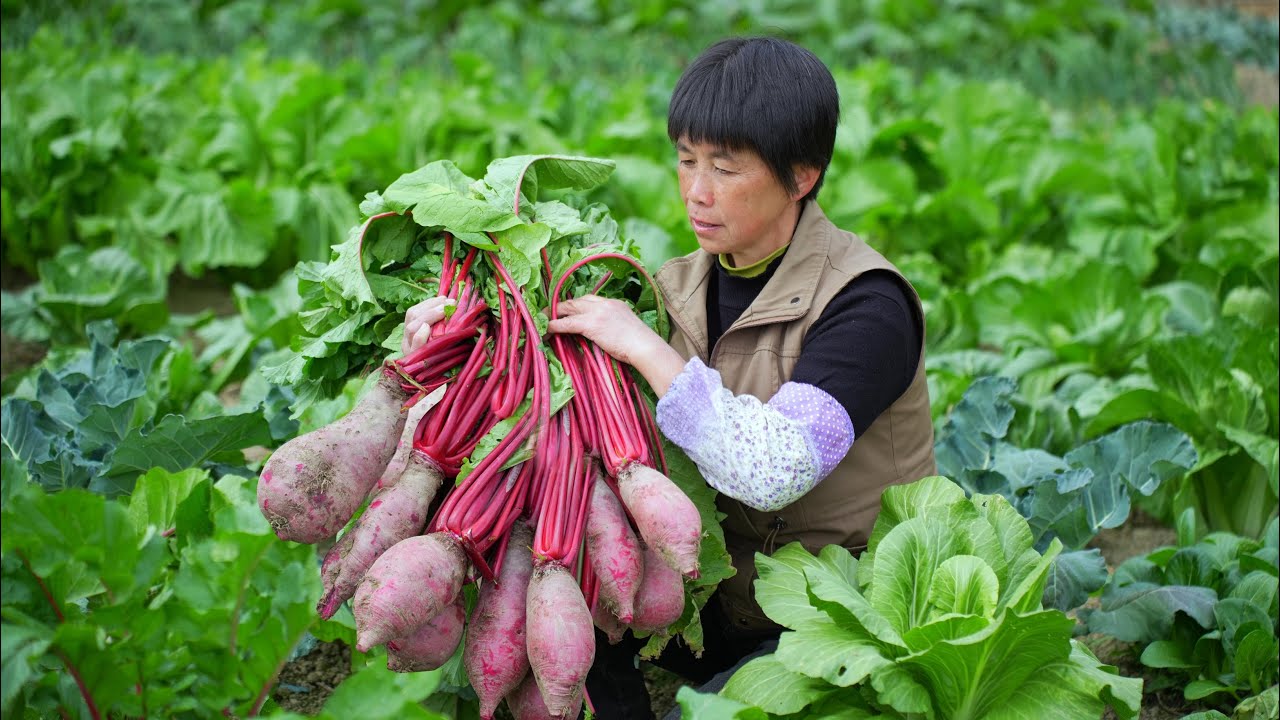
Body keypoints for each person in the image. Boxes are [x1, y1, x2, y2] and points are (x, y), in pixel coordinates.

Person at [405, 35, 937, 719]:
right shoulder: (670, 288)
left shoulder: (867, 305)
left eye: (725, 168)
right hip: (703, 599)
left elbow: (775, 469)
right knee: (562, 624)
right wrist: (454, 349)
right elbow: (541, 409)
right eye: (685, 161)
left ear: (802, 176)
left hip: (834, 610)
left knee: (715, 710)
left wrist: (647, 351)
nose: (696, 191)